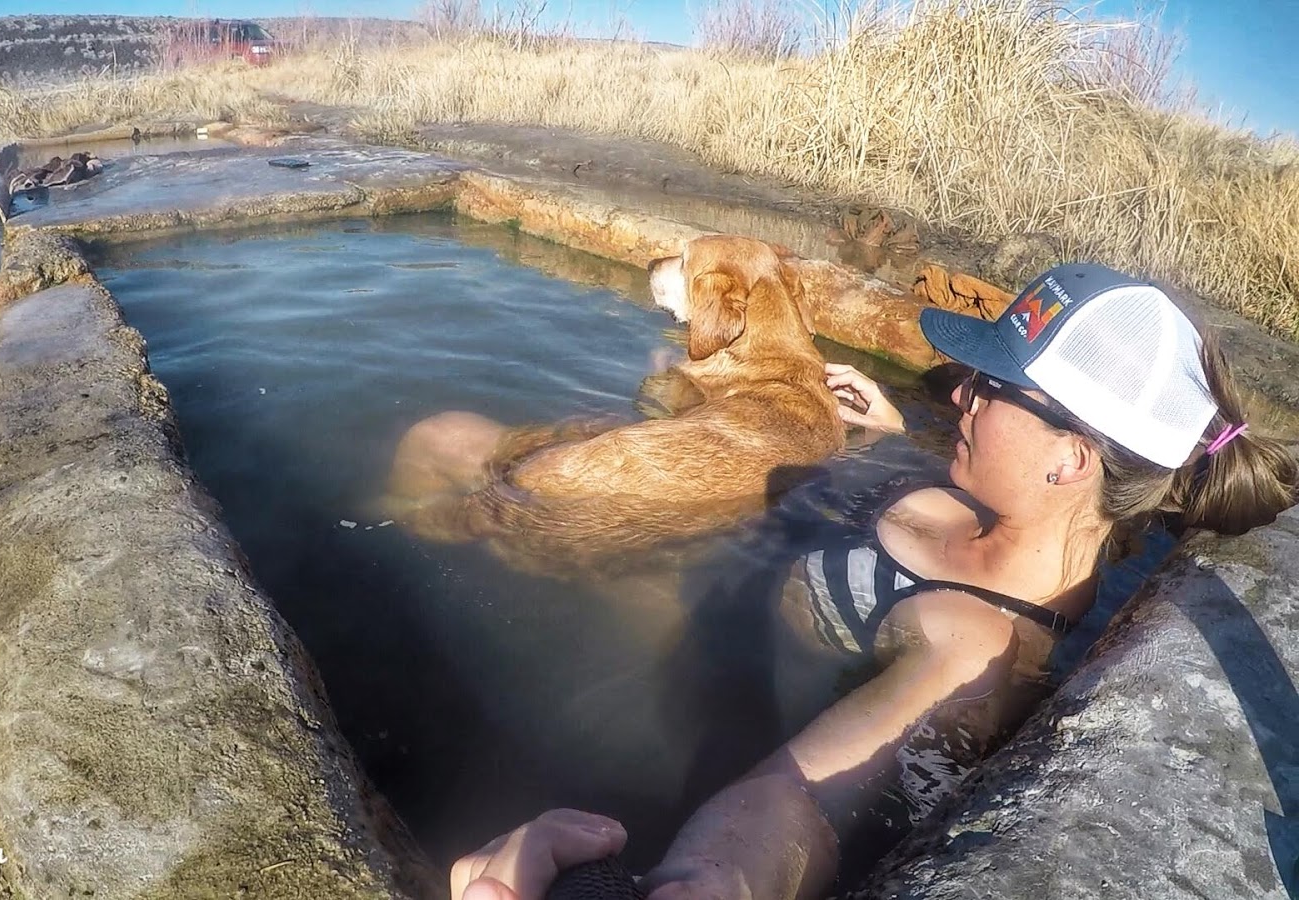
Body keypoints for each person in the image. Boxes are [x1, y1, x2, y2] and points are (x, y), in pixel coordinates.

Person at [449, 263, 1299, 900]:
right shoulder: (981, 507)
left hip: (685, 616)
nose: (959, 394)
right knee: (453, 439)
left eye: (990, 387)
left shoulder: (972, 643)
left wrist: (711, 881)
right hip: (732, 558)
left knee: (450, 450)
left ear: (1069, 459)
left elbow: (798, 799)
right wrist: (893, 435)